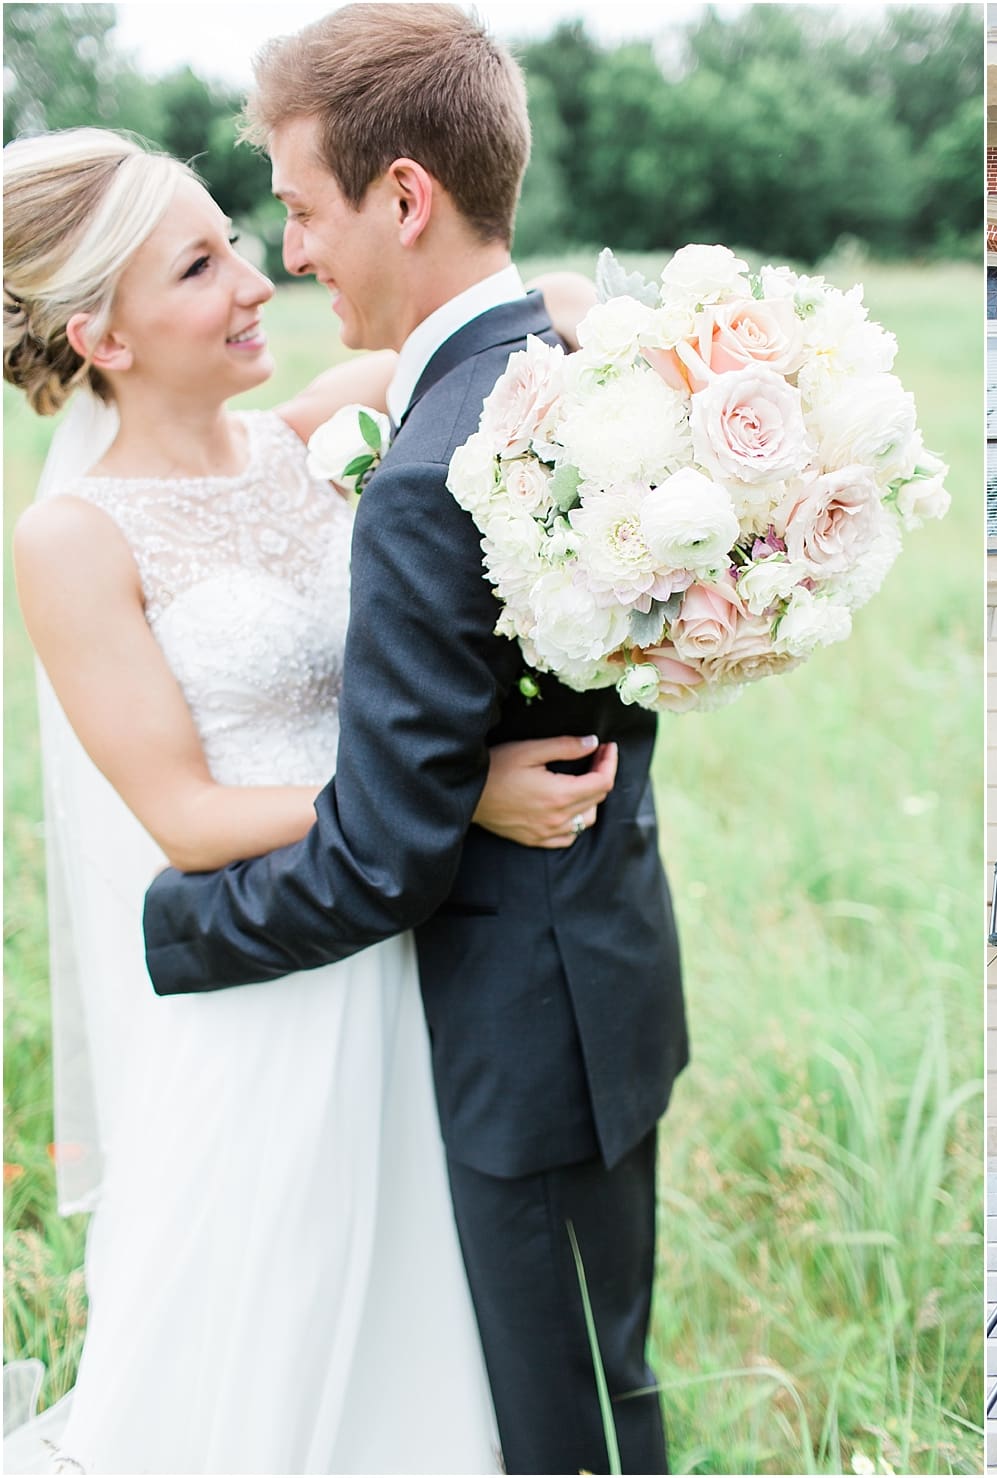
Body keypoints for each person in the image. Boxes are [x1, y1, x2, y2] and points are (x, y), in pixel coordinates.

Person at [3, 126, 613, 1473]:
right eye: (200, 266)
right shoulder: (73, 537)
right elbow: (187, 815)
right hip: (272, 994)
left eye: (237, 237)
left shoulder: (314, 433)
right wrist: (455, 799)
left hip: (412, 958)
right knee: (271, 1324)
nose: (252, 280)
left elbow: (538, 314)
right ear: (102, 334)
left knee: (425, 1314)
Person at [127, 11, 689, 1473]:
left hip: (520, 1027)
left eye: (303, 211)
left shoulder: (435, 470)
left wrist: (179, 925)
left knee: (563, 1419)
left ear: (404, 198)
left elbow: (380, 857)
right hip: (592, 975)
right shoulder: (565, 366)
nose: (291, 253)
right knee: (589, 1375)